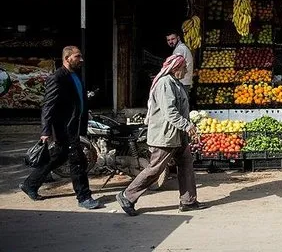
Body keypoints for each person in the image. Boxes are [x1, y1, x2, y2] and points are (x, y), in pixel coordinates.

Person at [116, 54, 207, 216]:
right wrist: (187, 125)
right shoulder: (165, 83)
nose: (186, 70)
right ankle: (127, 196)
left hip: (177, 135)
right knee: (156, 169)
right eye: (184, 67)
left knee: (186, 164)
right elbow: (170, 112)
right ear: (175, 68)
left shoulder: (175, 83)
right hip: (165, 135)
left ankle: (188, 201)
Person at [19, 46, 101, 209]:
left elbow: (77, 100)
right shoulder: (57, 77)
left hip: (76, 125)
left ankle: (30, 184)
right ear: (67, 58)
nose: (81, 60)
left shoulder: (74, 75)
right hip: (65, 127)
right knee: (78, 161)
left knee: (59, 156)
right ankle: (84, 197)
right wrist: (45, 131)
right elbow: (48, 106)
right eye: (78, 57)